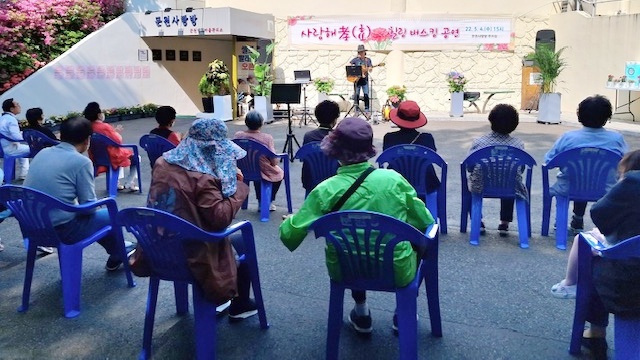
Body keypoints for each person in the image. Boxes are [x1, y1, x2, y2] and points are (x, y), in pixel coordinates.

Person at [280, 117, 434, 335]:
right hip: (397, 269)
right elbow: (425, 221)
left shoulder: (325, 190)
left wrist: (290, 222)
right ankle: (403, 311)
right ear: (368, 149)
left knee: (353, 246)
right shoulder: (393, 180)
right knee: (418, 244)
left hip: (345, 269)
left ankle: (361, 311)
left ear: (335, 150)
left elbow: (289, 237)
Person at [146, 117, 257, 320]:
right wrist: (239, 187)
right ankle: (239, 304)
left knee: (237, 241)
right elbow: (219, 218)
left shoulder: (162, 162)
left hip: (158, 246)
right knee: (244, 243)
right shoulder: (203, 177)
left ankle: (221, 301)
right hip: (195, 251)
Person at [550, 149, 640, 359]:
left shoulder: (633, 183)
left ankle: (596, 332)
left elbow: (600, 213)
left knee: (595, 259)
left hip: (627, 284)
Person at [23, 117, 134, 269]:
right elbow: (89, 208)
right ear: (88, 140)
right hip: (63, 231)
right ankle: (119, 252)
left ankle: (118, 252)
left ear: (60, 136)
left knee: (99, 217)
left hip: (32, 227)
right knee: (109, 213)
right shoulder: (81, 162)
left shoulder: (42, 153)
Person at [544, 95, 627, 235]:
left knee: (579, 175)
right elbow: (626, 163)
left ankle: (568, 220)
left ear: (579, 115)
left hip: (569, 187)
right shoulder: (616, 139)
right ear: (607, 117)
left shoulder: (568, 137)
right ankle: (598, 226)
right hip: (605, 189)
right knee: (590, 176)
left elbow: (548, 162)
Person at [467, 104, 525, 236]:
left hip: (481, 185)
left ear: (491, 120)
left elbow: (469, 166)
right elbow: (520, 169)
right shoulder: (518, 145)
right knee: (510, 178)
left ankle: (478, 221)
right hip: (510, 187)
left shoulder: (479, 142)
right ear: (514, 124)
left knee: (469, 185)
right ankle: (504, 223)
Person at [383, 100, 440, 199]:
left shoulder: (389, 138)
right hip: (426, 183)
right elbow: (432, 158)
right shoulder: (427, 138)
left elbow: (386, 159)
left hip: (395, 182)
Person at [233, 110, 284, 212]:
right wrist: (275, 162)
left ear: (246, 123)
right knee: (279, 174)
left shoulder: (238, 136)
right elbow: (273, 160)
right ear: (261, 123)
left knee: (257, 171)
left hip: (243, 170)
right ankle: (266, 201)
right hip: (263, 170)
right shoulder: (266, 138)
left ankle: (251, 203)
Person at [83, 102, 139, 192]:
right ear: (98, 114)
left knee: (121, 153)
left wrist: (113, 131)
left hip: (97, 157)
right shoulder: (104, 126)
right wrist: (115, 132)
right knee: (136, 158)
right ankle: (130, 182)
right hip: (112, 157)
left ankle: (116, 182)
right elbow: (118, 140)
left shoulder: (88, 127)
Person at [301, 100, 340, 193]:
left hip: (311, 182)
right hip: (335, 181)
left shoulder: (308, 136)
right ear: (335, 119)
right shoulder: (339, 136)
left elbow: (304, 159)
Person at [0, 98, 30, 180]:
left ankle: (23, 173)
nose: (20, 106)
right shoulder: (11, 120)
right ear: (12, 109)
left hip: (3, 147)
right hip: (10, 149)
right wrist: (27, 138)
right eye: (17, 105)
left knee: (22, 148)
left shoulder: (2, 118)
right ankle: (25, 173)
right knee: (33, 148)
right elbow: (16, 137)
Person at [349, 44, 373, 113]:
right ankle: (356, 110)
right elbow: (350, 66)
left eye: (362, 52)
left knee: (366, 95)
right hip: (357, 81)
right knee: (356, 95)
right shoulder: (355, 60)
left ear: (364, 52)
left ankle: (367, 110)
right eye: (359, 52)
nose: (361, 53)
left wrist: (369, 68)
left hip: (365, 81)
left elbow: (370, 69)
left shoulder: (367, 60)